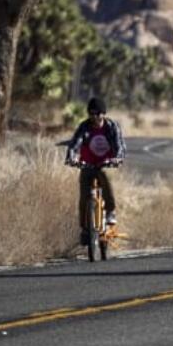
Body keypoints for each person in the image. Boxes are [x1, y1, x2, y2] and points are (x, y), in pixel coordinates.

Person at [65, 97, 125, 245]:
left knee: (105, 175)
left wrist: (117, 158)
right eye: (91, 113)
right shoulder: (84, 127)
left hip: (106, 164)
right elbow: (74, 144)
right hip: (88, 164)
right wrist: (72, 158)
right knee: (84, 195)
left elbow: (119, 146)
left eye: (98, 113)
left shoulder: (112, 127)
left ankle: (110, 212)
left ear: (103, 113)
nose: (95, 117)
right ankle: (85, 228)